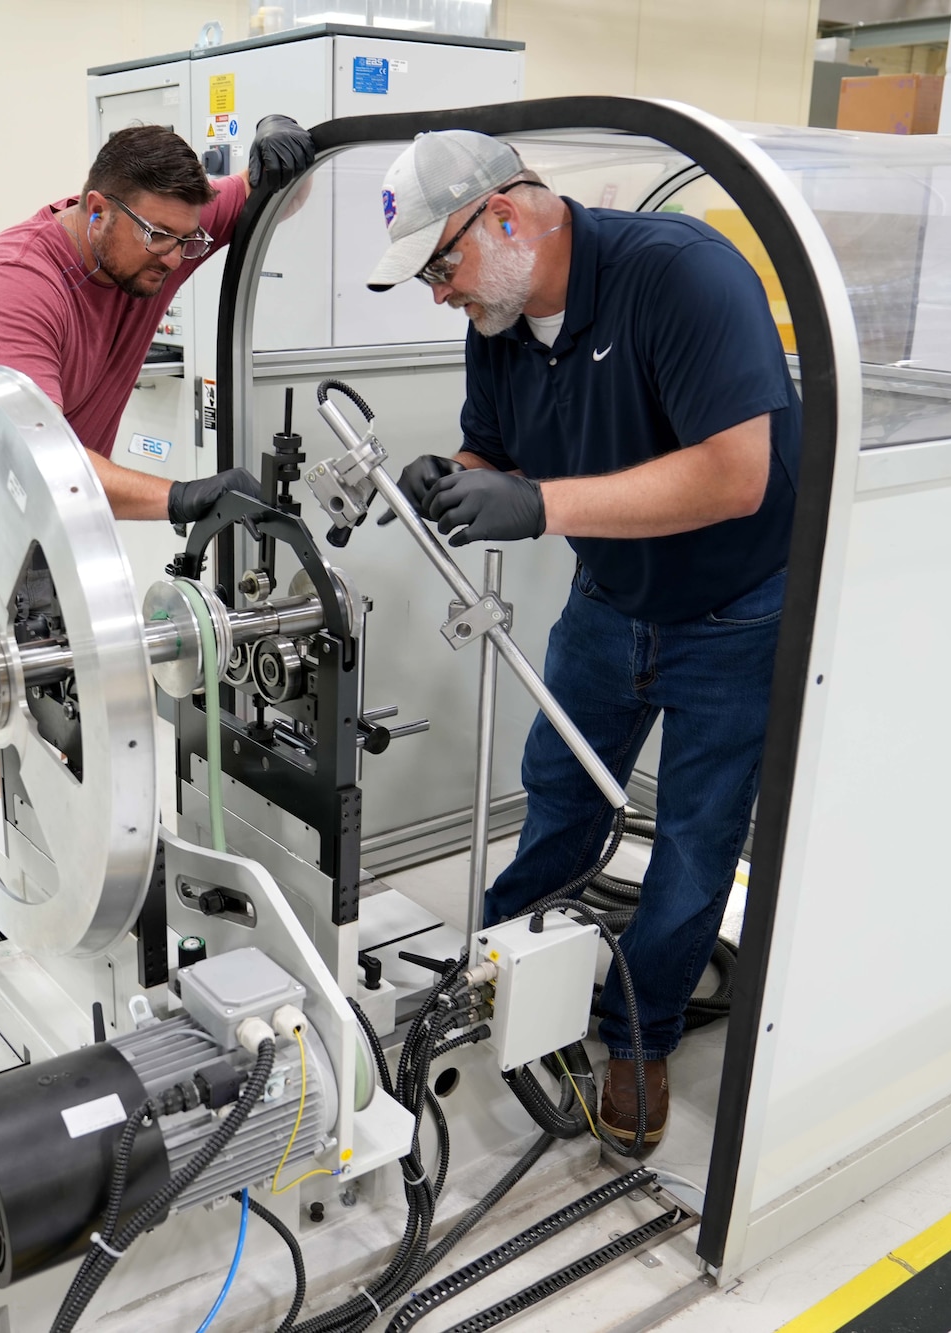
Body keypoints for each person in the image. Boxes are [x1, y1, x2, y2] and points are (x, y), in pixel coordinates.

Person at [366, 131, 798, 1147]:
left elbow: (734, 474)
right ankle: (505, 967)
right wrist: (457, 474)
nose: (439, 294)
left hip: (734, 610)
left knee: (694, 838)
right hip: (609, 598)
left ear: (504, 216)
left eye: (440, 266)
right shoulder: (500, 315)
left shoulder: (682, 276)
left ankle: (639, 1037)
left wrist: (541, 505)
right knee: (559, 791)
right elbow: (497, 450)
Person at [0, 118, 315, 595]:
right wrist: (181, 496)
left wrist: (281, 141)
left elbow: (274, 196)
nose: (174, 258)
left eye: (187, 240)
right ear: (99, 211)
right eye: (160, 237)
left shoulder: (161, 232)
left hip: (52, 514)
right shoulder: (17, 286)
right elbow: (39, 459)